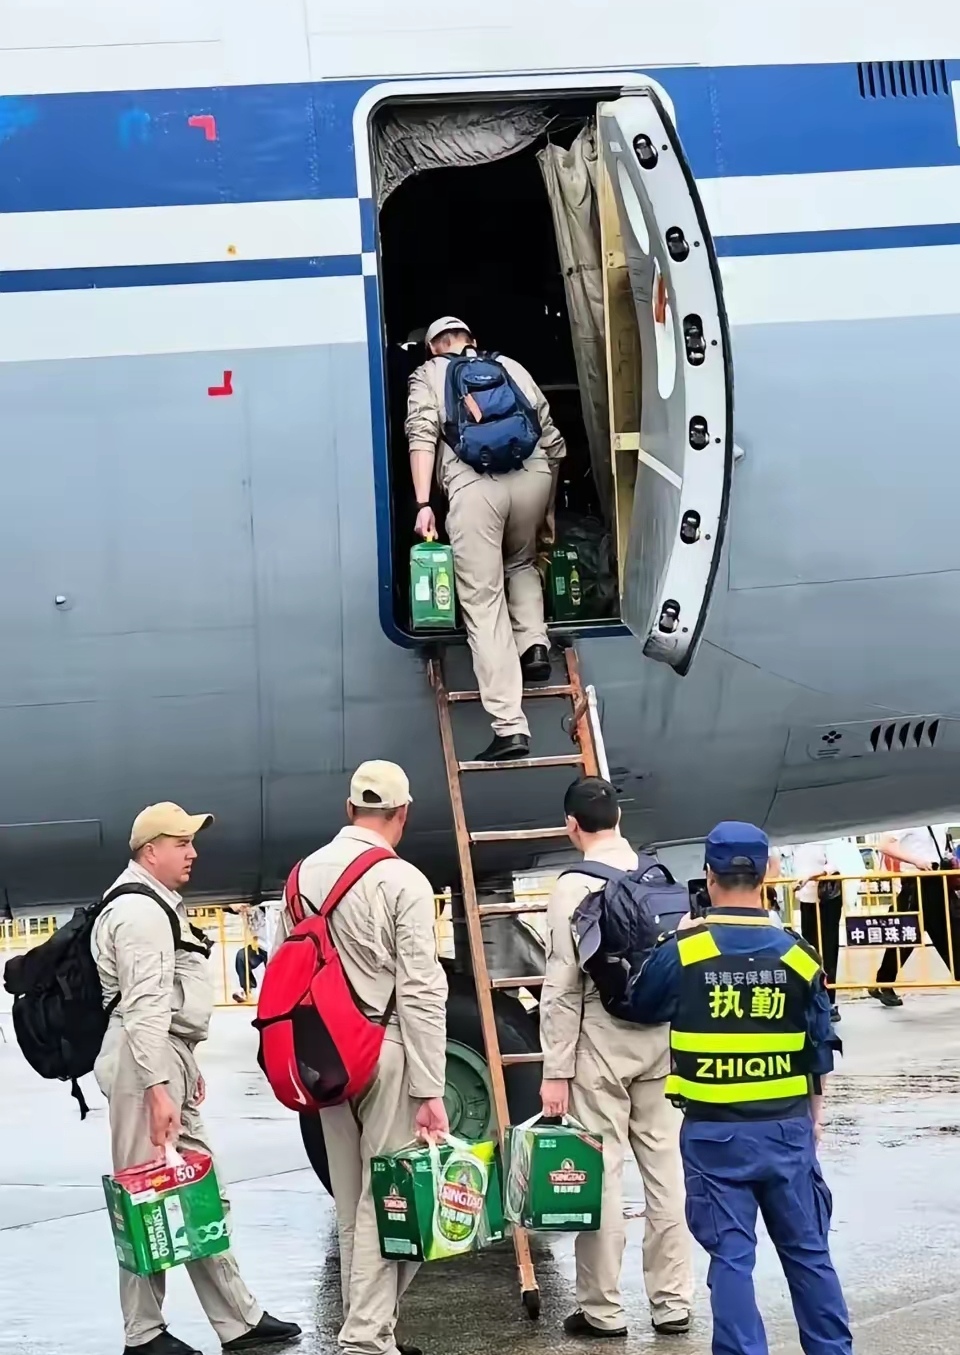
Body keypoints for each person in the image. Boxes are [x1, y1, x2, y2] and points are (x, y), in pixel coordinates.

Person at [624, 822, 851, 1355]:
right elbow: (820, 1047)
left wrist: (678, 936)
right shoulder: (799, 955)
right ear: (768, 872)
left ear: (709, 874)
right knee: (809, 1253)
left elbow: (641, 1004)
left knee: (731, 1261)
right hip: (787, 1129)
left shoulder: (685, 949)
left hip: (715, 1136)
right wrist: (813, 1120)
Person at [92, 803, 301, 1355]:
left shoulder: (156, 905)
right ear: (149, 850)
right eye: (180, 842)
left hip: (161, 1059)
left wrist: (183, 1066)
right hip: (144, 1066)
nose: (193, 853)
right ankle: (144, 1334)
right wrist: (159, 1085)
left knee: (197, 1191)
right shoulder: (139, 913)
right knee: (146, 1201)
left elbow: (164, 1008)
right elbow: (142, 1007)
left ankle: (238, 1319)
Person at [275, 762, 448, 1355]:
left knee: (352, 1200)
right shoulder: (404, 881)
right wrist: (430, 1087)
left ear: (349, 810)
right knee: (393, 1198)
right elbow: (422, 987)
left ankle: (371, 1330)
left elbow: (285, 970)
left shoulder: (298, 879)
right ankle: (366, 1339)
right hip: (387, 1048)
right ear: (401, 815)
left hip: (326, 1056)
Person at [539, 777, 693, 1339]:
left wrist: (555, 1070)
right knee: (665, 1172)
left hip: (599, 1039)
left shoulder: (572, 887)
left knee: (599, 1177)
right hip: (661, 1035)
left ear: (571, 827)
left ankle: (602, 1310)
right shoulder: (656, 875)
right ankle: (672, 1303)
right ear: (620, 817)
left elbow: (561, 987)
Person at [406, 316, 566, 762]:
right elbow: (551, 437)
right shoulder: (509, 365)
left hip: (476, 487)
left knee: (482, 601)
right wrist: (548, 503)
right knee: (522, 561)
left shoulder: (429, 374)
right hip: (532, 476)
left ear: (432, 348)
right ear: (472, 341)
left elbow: (420, 435)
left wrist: (423, 504)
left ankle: (510, 726)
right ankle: (534, 646)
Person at [869, 827, 959, 1006]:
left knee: (951, 931)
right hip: (916, 882)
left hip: (938, 880)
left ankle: (883, 982)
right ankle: (883, 983)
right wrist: (917, 861)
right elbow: (884, 845)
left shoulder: (938, 821)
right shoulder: (908, 820)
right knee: (906, 936)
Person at [793, 841, 845, 1022]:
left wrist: (811, 876)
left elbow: (835, 864)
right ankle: (813, 998)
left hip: (826, 898)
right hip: (807, 898)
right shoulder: (797, 840)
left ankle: (829, 1001)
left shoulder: (828, 837)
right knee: (809, 950)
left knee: (828, 950)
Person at [230, 904, 270, 1003]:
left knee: (272, 971)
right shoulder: (245, 908)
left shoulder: (265, 907)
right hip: (259, 946)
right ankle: (247, 990)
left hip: (273, 945)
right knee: (242, 956)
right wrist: (233, 905)